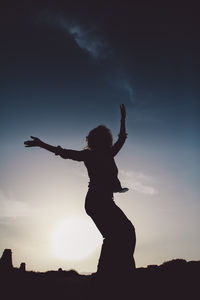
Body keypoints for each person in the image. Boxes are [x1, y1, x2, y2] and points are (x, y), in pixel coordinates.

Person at [24, 104, 136, 287]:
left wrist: (123, 119)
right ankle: (111, 277)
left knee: (121, 234)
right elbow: (65, 153)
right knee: (122, 234)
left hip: (102, 200)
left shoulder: (109, 153)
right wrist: (41, 144)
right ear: (97, 141)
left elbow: (122, 138)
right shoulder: (90, 156)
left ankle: (114, 275)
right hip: (97, 201)